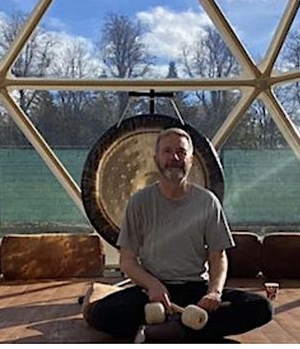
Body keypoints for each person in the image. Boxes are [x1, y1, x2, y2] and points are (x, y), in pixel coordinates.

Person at [87, 127, 274, 341]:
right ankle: (191, 331)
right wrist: (152, 285)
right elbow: (127, 260)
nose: (174, 157)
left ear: (191, 160)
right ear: (156, 159)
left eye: (181, 152)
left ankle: (168, 332)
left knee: (261, 307)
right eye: (167, 151)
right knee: (100, 314)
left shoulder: (207, 202)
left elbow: (217, 256)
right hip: (152, 291)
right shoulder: (139, 202)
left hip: (195, 289)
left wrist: (214, 292)